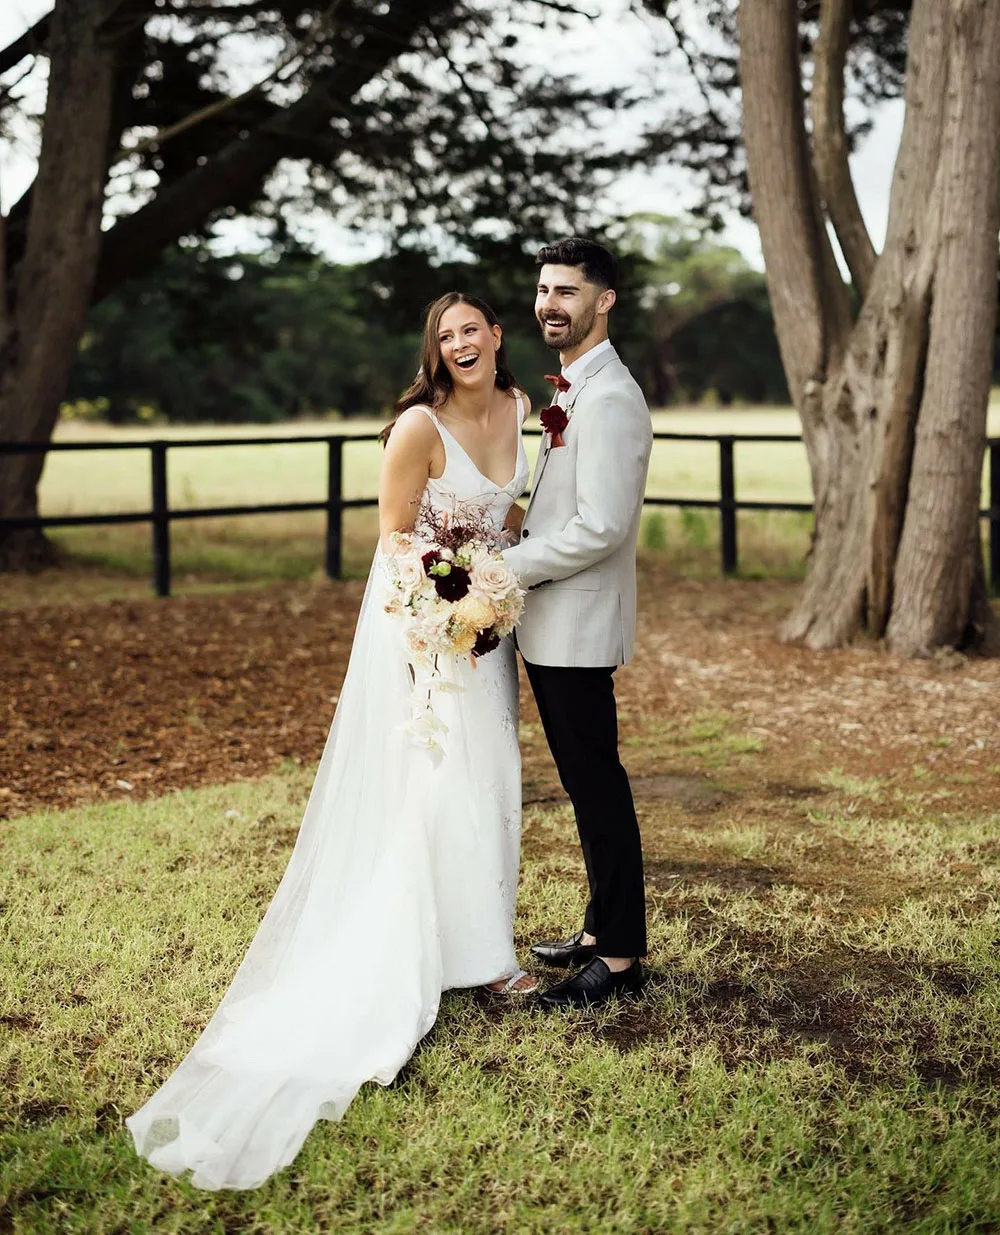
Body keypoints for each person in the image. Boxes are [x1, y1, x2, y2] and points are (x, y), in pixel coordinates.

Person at [127, 292, 536, 1191]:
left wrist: (499, 589)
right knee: (435, 781)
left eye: (474, 328)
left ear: (498, 337)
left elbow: (508, 522)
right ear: (435, 347)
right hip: (429, 629)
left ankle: (486, 950)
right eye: (446, 333)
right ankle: (435, 950)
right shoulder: (417, 427)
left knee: (493, 773)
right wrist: (453, 600)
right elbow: (392, 540)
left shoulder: (523, 412)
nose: (461, 342)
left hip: (489, 631)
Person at [503, 237, 653, 1010]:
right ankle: (601, 930)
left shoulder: (612, 396)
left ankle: (620, 958)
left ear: (604, 301)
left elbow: (601, 526)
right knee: (586, 782)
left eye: (566, 290)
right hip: (554, 622)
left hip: (577, 624)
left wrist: (509, 568)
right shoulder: (574, 389)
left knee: (598, 787)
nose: (549, 304)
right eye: (542, 290)